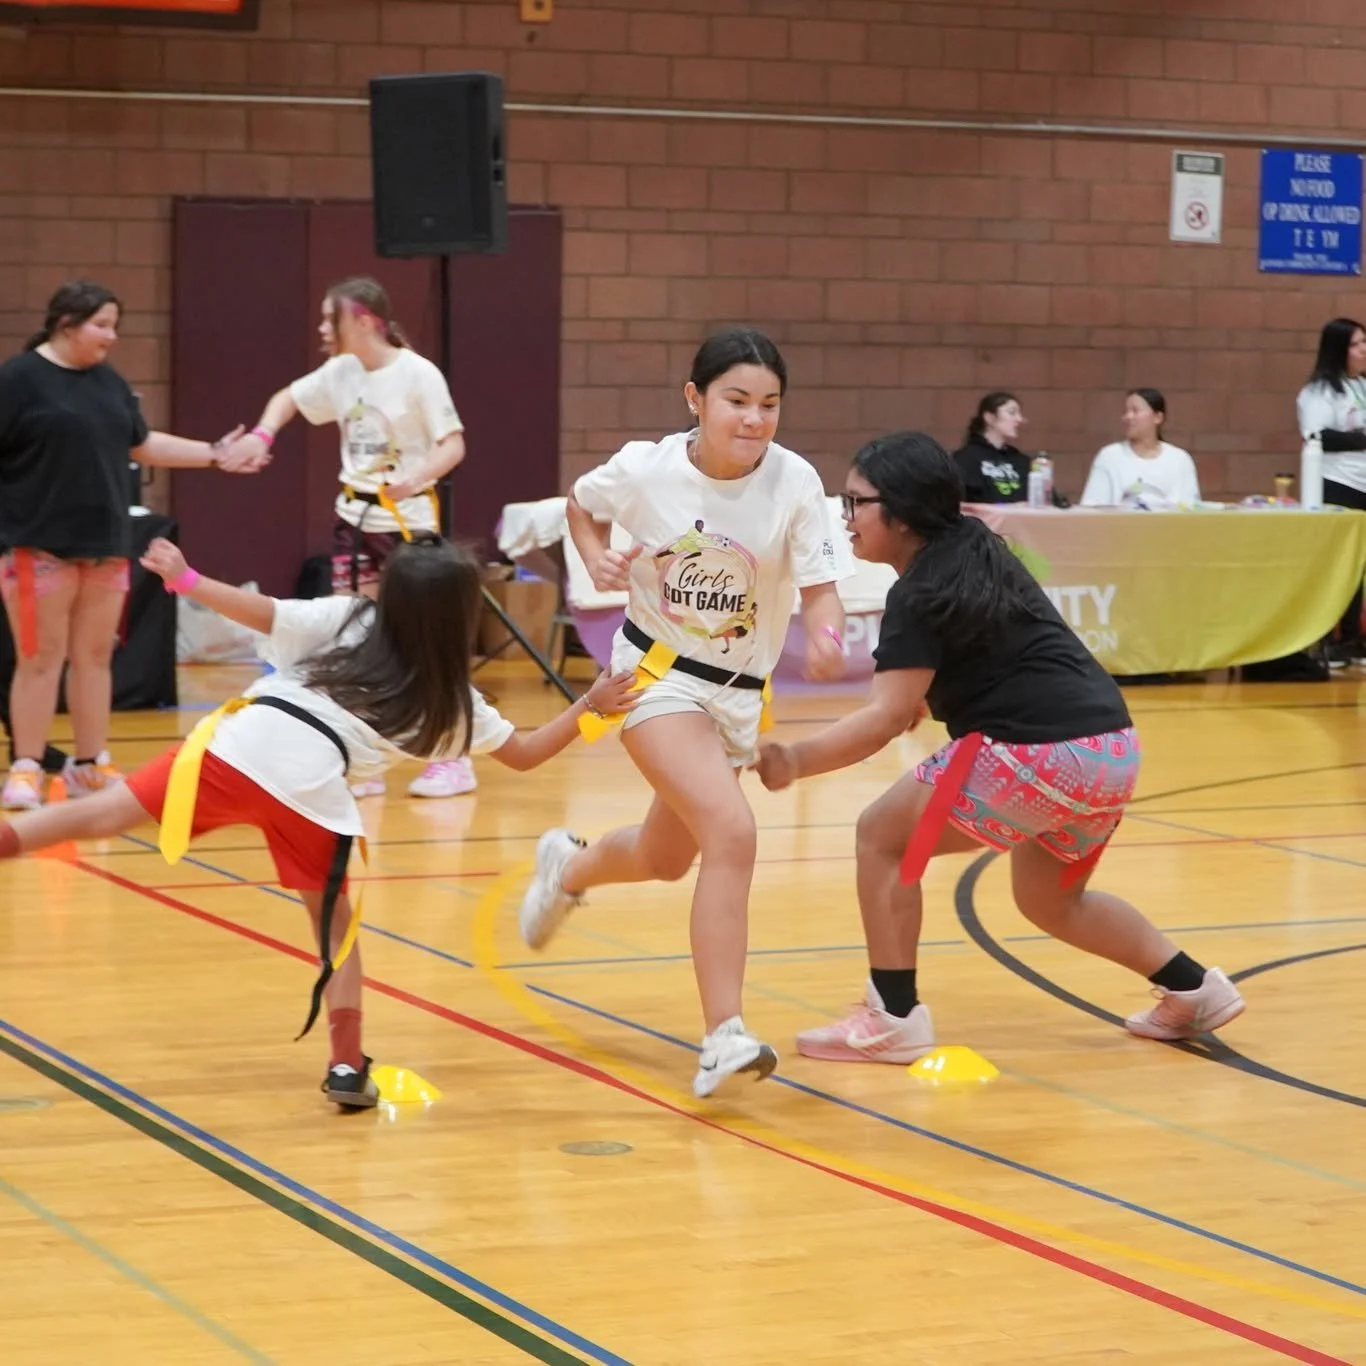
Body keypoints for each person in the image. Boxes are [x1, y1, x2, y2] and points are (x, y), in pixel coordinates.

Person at [0, 534, 638, 1109]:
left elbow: (263, 613)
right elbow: (526, 755)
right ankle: (344, 1062)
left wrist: (187, 580)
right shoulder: (448, 699)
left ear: (388, 593)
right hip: (308, 787)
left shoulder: (350, 617)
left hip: (239, 742)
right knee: (333, 924)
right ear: (462, 614)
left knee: (104, 813)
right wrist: (591, 705)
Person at [753, 431, 1245, 1063]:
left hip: (1036, 752)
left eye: (855, 503)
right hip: (1111, 750)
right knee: (1050, 899)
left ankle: (893, 1017)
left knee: (882, 835)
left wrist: (795, 760)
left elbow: (885, 718)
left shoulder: (918, 591)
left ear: (901, 512)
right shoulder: (979, 547)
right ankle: (1194, 988)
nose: (844, 519)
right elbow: (979, 665)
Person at [516, 328, 847, 1099]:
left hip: (736, 699)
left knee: (670, 858)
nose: (754, 419)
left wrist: (826, 632)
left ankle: (567, 869)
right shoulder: (646, 467)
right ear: (696, 399)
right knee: (732, 831)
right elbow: (581, 503)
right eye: (737, 400)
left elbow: (822, 586)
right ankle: (722, 1036)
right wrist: (595, 551)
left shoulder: (795, 482)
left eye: (769, 404)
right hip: (653, 679)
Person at [0, 278, 259, 814]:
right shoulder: (20, 380)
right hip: (36, 544)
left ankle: (91, 764)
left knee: (94, 658)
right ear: (65, 324)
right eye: (101, 325)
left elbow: (142, 443)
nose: (111, 337)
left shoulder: (110, 384)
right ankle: (25, 768)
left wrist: (213, 452)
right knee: (39, 658)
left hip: (105, 545)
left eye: (115, 326)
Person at [228, 276, 476, 801]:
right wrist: (261, 435)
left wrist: (417, 477)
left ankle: (452, 757)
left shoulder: (416, 374)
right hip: (353, 521)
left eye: (328, 318)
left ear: (362, 321)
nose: (321, 328)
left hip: (406, 525)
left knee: (419, 640)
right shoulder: (341, 371)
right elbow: (287, 397)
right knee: (353, 639)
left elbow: (452, 444)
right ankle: (369, 752)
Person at [1295, 317, 1366, 665]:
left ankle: (1354, 638)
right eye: (1356, 344)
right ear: (1339, 350)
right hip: (1339, 482)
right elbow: (1317, 436)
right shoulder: (1319, 392)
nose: (1363, 350)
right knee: (1340, 564)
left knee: (1361, 566)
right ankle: (1331, 638)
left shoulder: (1363, 386)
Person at [1079, 389, 1200, 508]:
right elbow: (1092, 507)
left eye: (1135, 411)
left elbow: (1190, 508)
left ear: (1158, 417)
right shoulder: (1109, 456)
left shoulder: (1180, 460)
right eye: (1126, 411)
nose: (1128, 417)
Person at [952, 391, 1059, 505]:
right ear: (990, 418)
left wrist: (1044, 480)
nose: (1019, 419)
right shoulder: (965, 459)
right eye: (1012, 413)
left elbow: (1050, 501)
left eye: (1019, 414)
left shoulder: (1020, 460)